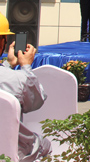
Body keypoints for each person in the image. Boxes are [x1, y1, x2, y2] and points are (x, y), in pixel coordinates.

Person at [0, 13, 52, 162]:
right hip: (11, 152)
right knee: (45, 145)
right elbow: (37, 100)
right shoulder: (18, 79)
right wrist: (26, 67)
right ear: (2, 42)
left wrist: (9, 64)